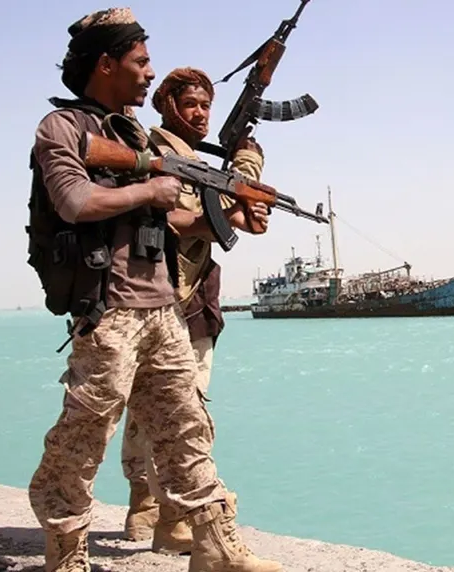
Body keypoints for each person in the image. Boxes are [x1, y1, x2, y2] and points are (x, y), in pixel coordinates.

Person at [25, 7, 282, 572]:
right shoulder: (62, 128)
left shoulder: (136, 134)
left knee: (187, 429)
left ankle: (214, 545)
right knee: (85, 433)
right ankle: (65, 549)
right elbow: (74, 201)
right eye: (140, 62)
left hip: (162, 305)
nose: (148, 73)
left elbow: (169, 218)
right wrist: (148, 188)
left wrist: (229, 215)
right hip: (109, 310)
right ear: (106, 64)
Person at [120, 66, 270, 555]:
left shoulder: (187, 158)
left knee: (148, 408)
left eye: (206, 105)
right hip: (174, 297)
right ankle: (173, 516)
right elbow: (174, 218)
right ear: (168, 105)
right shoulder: (157, 156)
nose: (201, 113)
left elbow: (223, 206)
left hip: (184, 293)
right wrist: (234, 204)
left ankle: (144, 503)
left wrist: (246, 174)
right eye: (190, 104)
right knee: (186, 410)